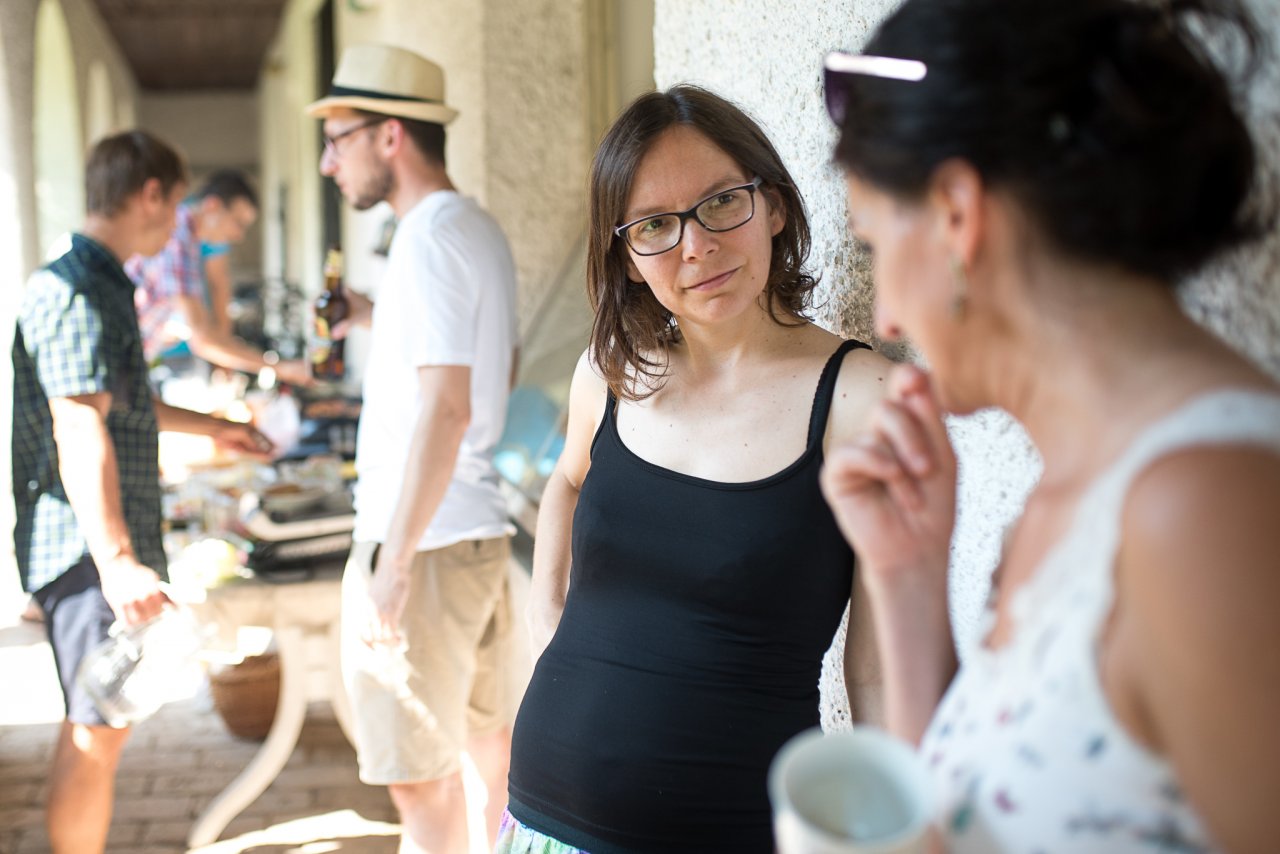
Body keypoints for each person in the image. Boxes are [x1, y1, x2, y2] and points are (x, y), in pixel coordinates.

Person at [820, 0, 1280, 850]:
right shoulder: (1071, 498)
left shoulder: (1205, 511)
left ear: (957, 216)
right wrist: (907, 575)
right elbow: (964, 816)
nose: (885, 317)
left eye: (875, 243)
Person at [500, 85, 891, 854]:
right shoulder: (612, 371)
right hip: (541, 814)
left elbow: (876, 671)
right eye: (655, 225)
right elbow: (568, 480)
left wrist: (891, 828)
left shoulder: (859, 399)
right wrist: (546, 616)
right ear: (626, 255)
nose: (696, 247)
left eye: (721, 203)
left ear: (773, 205)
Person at [11, 130, 274, 854]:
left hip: (98, 547)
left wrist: (219, 428)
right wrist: (118, 561)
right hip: (86, 550)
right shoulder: (76, 287)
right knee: (94, 731)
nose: (178, 224)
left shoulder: (106, 281)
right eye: (177, 204)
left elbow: (124, 404)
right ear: (151, 194)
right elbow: (79, 425)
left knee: (103, 727)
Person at [305, 43, 519, 854]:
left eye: (338, 140)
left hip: (422, 544)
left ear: (389, 136)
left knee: (419, 783)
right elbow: (493, 370)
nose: (328, 163)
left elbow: (447, 407)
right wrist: (372, 316)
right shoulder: (471, 227)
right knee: (487, 756)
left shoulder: (428, 240)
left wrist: (391, 564)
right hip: (470, 532)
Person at [125, 169, 311, 386]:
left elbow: (217, 290)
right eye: (238, 223)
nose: (238, 236)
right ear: (212, 206)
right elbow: (203, 339)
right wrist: (281, 369)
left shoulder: (191, 240)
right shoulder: (179, 239)